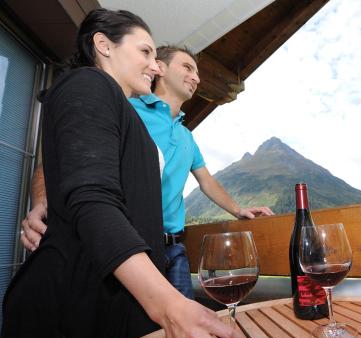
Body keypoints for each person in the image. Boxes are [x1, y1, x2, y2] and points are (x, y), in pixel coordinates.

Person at [0, 9, 243, 338]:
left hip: (108, 302)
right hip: (71, 310)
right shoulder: (88, 84)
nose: (155, 65)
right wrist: (169, 306)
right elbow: (91, 195)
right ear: (103, 45)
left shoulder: (124, 110)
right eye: (146, 52)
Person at [21, 45, 274, 299]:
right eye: (187, 67)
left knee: (182, 335)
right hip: (128, 247)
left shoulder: (187, 136)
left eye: (197, 72)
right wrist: (42, 203)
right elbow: (60, 162)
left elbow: (206, 182)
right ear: (159, 68)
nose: (196, 77)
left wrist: (239, 210)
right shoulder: (126, 109)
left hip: (174, 250)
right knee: (136, 336)